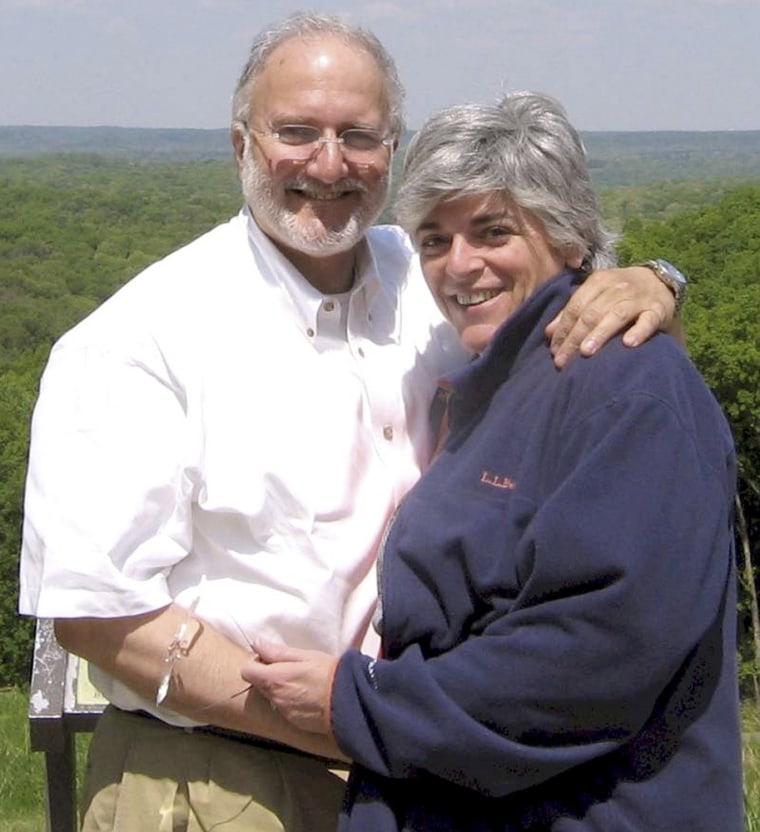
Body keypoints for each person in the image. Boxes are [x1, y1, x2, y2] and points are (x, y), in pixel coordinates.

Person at [19, 12, 682, 832]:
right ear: (241, 146)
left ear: (392, 150)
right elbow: (100, 615)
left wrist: (656, 281)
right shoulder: (138, 340)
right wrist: (335, 717)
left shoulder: (434, 276)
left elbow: (561, 313)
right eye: (296, 131)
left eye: (359, 136)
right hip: (220, 779)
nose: (329, 164)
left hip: (425, 771)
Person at [242, 92, 743, 831]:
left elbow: (591, 656)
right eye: (434, 241)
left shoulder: (627, 389)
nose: (459, 266)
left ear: (570, 237)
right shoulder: (500, 373)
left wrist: (355, 704)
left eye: (493, 230)